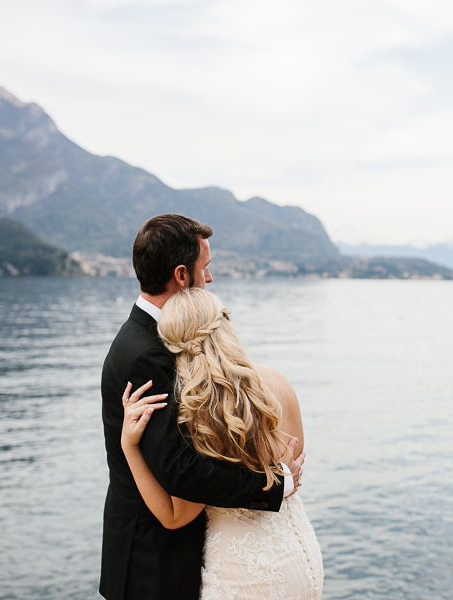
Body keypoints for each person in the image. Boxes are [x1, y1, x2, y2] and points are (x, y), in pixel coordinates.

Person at [99, 214, 303, 599]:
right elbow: (182, 471)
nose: (209, 278)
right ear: (181, 275)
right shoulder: (147, 355)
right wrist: (274, 485)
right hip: (153, 563)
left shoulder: (151, 340)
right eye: (204, 268)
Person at [121, 287, 323, 599]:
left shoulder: (201, 414)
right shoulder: (276, 382)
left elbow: (175, 516)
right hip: (300, 556)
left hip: (245, 573)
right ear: (225, 323)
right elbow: (291, 473)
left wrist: (130, 448)